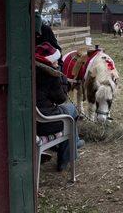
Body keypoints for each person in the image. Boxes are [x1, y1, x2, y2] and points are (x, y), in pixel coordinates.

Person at [35, 42, 84, 171]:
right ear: (49, 62)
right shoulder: (50, 74)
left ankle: (74, 142)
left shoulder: (32, 70)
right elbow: (61, 98)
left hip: (33, 119)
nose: (58, 64)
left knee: (68, 113)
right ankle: (67, 155)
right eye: (56, 62)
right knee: (71, 111)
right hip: (44, 122)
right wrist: (62, 79)